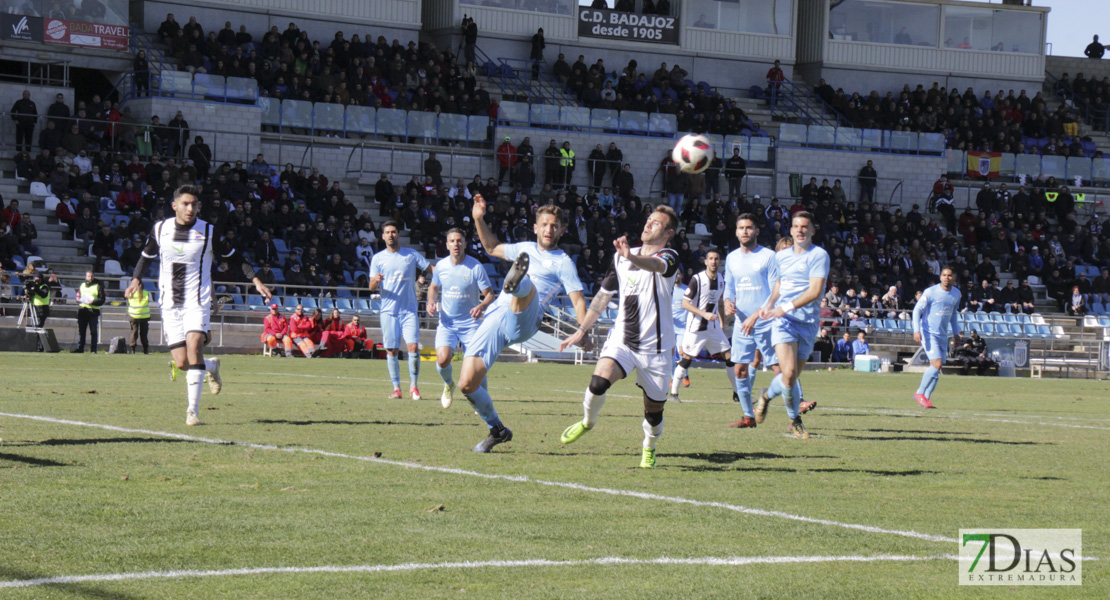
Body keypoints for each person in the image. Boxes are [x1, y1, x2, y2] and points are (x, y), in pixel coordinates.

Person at [126, 185, 272, 425]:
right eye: (185, 204)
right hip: (170, 303)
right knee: (183, 362)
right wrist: (135, 279)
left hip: (197, 300)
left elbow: (236, 257)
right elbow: (146, 257)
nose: (190, 208)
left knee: (194, 346)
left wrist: (255, 280)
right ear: (174, 206)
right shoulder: (160, 229)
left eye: (194, 204)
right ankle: (211, 366)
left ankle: (191, 412)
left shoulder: (208, 231)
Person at [459, 195, 588, 453]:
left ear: (562, 230)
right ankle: (497, 430)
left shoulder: (563, 262)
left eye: (554, 226)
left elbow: (578, 300)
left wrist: (582, 331)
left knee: (526, 288)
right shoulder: (525, 246)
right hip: (497, 315)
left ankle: (518, 281)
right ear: (536, 227)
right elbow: (491, 247)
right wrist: (478, 218)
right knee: (466, 384)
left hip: (529, 318)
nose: (549, 230)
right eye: (545, 225)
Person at [558, 206, 680, 469]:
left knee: (654, 411)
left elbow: (657, 266)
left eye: (656, 223)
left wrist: (632, 258)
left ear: (668, 233)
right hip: (623, 339)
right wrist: (582, 329)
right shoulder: (622, 257)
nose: (648, 225)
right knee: (599, 381)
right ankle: (587, 422)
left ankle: (649, 447)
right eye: (648, 220)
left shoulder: (669, 256)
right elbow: (602, 297)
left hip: (656, 349)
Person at [753, 212, 829, 439]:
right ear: (791, 230)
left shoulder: (819, 255)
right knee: (788, 372)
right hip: (784, 321)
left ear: (813, 230)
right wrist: (771, 305)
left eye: (805, 227)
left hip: (807, 323)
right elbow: (779, 284)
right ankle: (795, 421)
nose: (800, 230)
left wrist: (783, 307)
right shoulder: (781, 257)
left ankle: (766, 396)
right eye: (796, 226)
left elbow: (815, 291)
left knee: (790, 379)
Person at [427, 228, 494, 408]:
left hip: (470, 324)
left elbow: (489, 295)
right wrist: (430, 301)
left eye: (459, 241)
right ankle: (449, 384)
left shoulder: (475, 267)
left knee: (476, 365)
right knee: (442, 359)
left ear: (465, 243)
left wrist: (481, 306)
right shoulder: (441, 266)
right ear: (447, 245)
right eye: (452, 241)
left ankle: (482, 401)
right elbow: (433, 287)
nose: (456, 244)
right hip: (447, 323)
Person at [721, 214, 777, 428]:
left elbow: (774, 293)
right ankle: (748, 417)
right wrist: (727, 301)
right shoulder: (733, 258)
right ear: (736, 232)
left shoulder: (769, 256)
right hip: (742, 324)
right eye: (741, 228)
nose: (744, 231)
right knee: (739, 370)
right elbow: (730, 287)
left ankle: (795, 417)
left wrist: (756, 315)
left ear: (757, 231)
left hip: (765, 323)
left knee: (779, 369)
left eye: (749, 228)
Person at [369, 220, 433, 400]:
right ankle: (396, 388)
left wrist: (448, 273)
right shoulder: (378, 258)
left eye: (394, 232)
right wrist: (377, 280)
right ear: (382, 236)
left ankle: (414, 386)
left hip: (409, 310)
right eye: (387, 232)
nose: (390, 235)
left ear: (399, 235)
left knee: (413, 346)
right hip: (389, 311)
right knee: (392, 350)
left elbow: (430, 268)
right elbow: (371, 287)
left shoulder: (411, 254)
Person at [670, 249, 737, 402]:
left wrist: (720, 318)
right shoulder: (697, 279)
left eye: (716, 259)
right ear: (705, 261)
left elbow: (718, 302)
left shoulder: (721, 279)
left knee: (730, 356)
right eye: (711, 259)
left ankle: (736, 393)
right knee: (686, 358)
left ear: (719, 262)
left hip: (713, 327)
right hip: (696, 328)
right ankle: (674, 393)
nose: (714, 261)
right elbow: (685, 303)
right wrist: (704, 314)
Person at [912, 266, 960, 409]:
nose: (946, 277)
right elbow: (917, 310)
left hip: (943, 335)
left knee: (937, 367)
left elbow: (954, 314)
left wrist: (956, 332)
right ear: (940, 277)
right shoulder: (931, 292)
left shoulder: (956, 294)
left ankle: (926, 398)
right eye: (944, 275)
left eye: (949, 275)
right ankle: (919, 393)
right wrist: (916, 330)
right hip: (928, 333)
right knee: (937, 364)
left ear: (954, 278)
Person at [75, 269, 106, 353]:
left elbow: (102, 299)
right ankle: (80, 348)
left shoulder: (98, 285)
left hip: (93, 311)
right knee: (81, 331)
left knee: (93, 331)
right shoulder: (82, 285)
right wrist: (77, 299)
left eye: (92, 276)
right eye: (89, 276)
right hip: (83, 310)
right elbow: (78, 293)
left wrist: (94, 302)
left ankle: (93, 349)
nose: (90, 278)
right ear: (86, 277)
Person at [126, 280, 152, 354]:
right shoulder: (147, 293)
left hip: (133, 315)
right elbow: (149, 302)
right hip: (144, 316)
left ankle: (132, 349)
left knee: (134, 332)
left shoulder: (131, 293)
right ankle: (145, 349)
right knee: (144, 333)